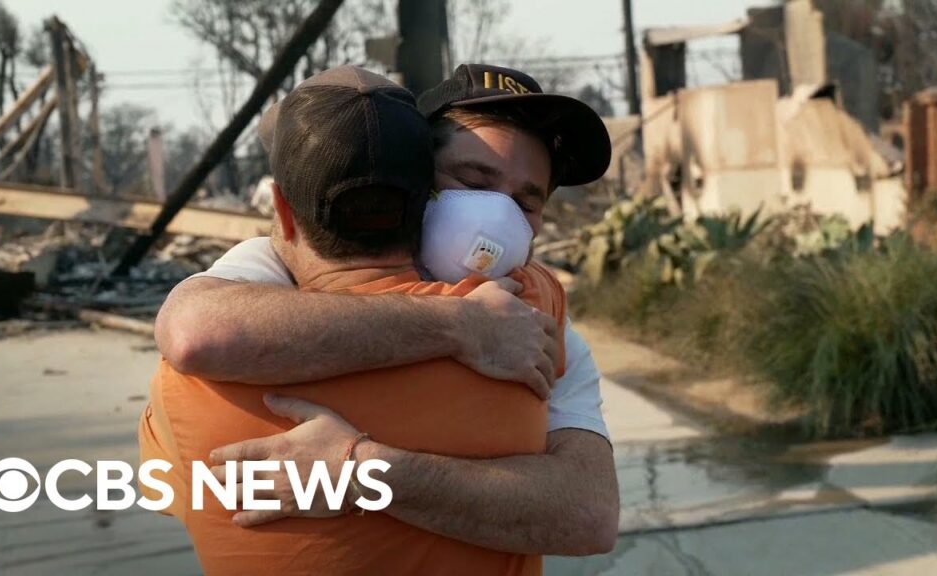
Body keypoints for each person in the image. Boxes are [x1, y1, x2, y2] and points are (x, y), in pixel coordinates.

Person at [155, 64, 619, 557]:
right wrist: (459, 325)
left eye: (526, 202)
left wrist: (362, 470)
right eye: (472, 180)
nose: (497, 218)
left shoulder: (537, 326)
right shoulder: (282, 263)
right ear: (416, 177)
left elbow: (588, 516)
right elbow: (194, 331)